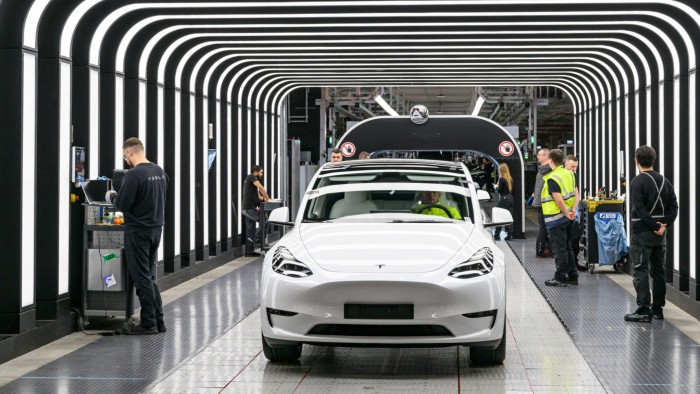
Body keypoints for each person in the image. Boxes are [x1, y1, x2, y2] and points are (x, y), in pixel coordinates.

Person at [105, 138, 168, 335]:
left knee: (141, 278)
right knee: (149, 276)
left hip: (138, 232)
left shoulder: (133, 175)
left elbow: (123, 205)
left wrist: (111, 196)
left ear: (130, 152)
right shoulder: (159, 172)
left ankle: (148, 323)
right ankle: (159, 320)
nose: (126, 160)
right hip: (156, 229)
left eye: (125, 156)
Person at [624, 145, 678, 322]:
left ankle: (643, 309)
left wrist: (653, 225)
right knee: (659, 272)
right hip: (660, 235)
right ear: (653, 160)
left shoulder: (637, 181)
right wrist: (664, 225)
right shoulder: (665, 181)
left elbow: (639, 208)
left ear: (637, 161)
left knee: (640, 269)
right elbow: (673, 207)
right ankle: (658, 309)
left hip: (642, 233)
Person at [541, 149, 579, 287]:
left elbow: (558, 200)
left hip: (557, 219)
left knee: (559, 249)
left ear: (550, 160)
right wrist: (573, 210)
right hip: (569, 218)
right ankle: (573, 276)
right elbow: (576, 194)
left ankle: (560, 277)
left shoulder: (553, 178)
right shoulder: (569, 174)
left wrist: (564, 213)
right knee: (567, 248)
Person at [242, 165, 270, 257]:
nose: (262, 174)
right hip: (249, 208)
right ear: (256, 172)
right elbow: (261, 188)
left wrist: (264, 199)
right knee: (265, 220)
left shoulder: (249, 180)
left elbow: (257, 197)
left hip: (247, 208)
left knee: (251, 230)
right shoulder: (251, 177)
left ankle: (249, 251)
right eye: (261, 172)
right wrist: (267, 198)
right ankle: (259, 241)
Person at [565, 155, 586, 272]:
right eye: (572, 166)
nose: (574, 169)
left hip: (573, 211)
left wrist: (574, 209)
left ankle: (574, 262)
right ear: (566, 164)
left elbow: (576, 192)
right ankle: (568, 266)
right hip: (563, 212)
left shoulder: (574, 175)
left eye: (576, 167)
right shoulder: (562, 176)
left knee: (574, 239)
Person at [532, 148, 553, 257]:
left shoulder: (541, 171)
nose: (537, 156)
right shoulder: (547, 170)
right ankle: (541, 250)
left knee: (543, 227)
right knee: (544, 227)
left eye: (540, 155)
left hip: (540, 202)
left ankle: (543, 249)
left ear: (546, 157)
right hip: (545, 203)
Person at [495, 163, 514, 240]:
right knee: (508, 217)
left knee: (498, 216)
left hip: (504, 198)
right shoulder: (510, 179)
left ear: (501, 170)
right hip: (510, 198)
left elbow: (499, 191)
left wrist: (496, 187)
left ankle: (497, 235)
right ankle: (510, 235)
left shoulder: (502, 179)